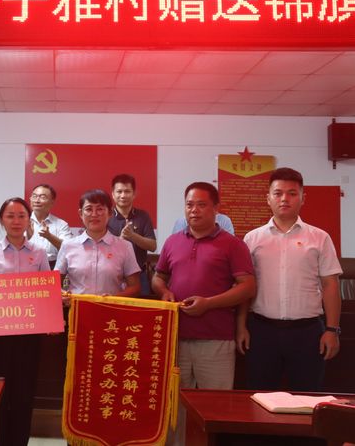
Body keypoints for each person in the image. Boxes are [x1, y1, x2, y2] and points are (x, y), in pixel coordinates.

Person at [151, 182, 255, 445]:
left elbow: (247, 287)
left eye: (201, 205)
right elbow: (158, 277)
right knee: (174, 408)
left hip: (216, 340)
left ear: (216, 208)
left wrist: (208, 303)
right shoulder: (173, 241)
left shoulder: (233, 244)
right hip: (175, 339)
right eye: (189, 205)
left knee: (215, 409)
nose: (194, 210)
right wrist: (164, 291)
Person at [238, 168, 342, 391]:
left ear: (303, 198)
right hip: (262, 331)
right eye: (278, 193)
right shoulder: (252, 239)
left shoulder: (320, 238)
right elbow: (246, 287)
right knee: (260, 395)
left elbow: (330, 285)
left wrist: (332, 330)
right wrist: (241, 326)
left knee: (307, 397)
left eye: (292, 193)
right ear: (268, 198)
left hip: (308, 332)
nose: (284, 199)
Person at [0, 198, 49, 446]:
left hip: (29, 336)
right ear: (1, 220)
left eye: (21, 216)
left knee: (23, 392)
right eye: (10, 216)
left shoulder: (39, 252)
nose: (16, 221)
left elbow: (46, 291)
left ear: (29, 220)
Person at [55, 189, 141, 299]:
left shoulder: (125, 246)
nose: (94, 214)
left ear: (110, 213)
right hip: (77, 308)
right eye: (89, 209)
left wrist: (114, 298)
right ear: (80, 213)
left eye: (100, 209)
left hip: (110, 308)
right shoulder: (68, 246)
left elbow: (135, 287)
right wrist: (63, 295)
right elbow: (55, 284)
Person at [107, 174, 156, 295]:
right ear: (113, 194)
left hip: (140, 275)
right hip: (112, 277)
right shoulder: (106, 216)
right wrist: (120, 240)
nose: (123, 195)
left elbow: (152, 246)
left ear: (134, 194)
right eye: (119, 191)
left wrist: (133, 236)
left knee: (140, 307)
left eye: (127, 191)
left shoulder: (143, 216)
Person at [26, 183, 72, 269]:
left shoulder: (61, 224)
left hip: (52, 267)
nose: (37, 200)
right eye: (34, 196)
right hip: (26, 266)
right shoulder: (22, 222)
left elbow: (68, 249)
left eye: (42, 197)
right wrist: (27, 238)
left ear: (52, 202)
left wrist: (49, 236)